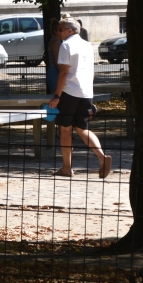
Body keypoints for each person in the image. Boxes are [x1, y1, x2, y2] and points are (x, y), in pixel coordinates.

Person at [48, 18, 111, 178]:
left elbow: (64, 72)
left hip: (69, 91)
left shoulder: (66, 45)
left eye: (61, 29)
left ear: (70, 30)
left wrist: (57, 95)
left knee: (65, 129)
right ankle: (102, 157)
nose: (58, 32)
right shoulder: (87, 45)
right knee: (83, 129)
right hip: (86, 92)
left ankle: (67, 167)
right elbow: (91, 71)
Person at [46, 19, 62, 93]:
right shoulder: (55, 42)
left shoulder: (58, 42)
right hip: (55, 72)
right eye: (60, 30)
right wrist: (63, 73)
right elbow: (57, 61)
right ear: (55, 31)